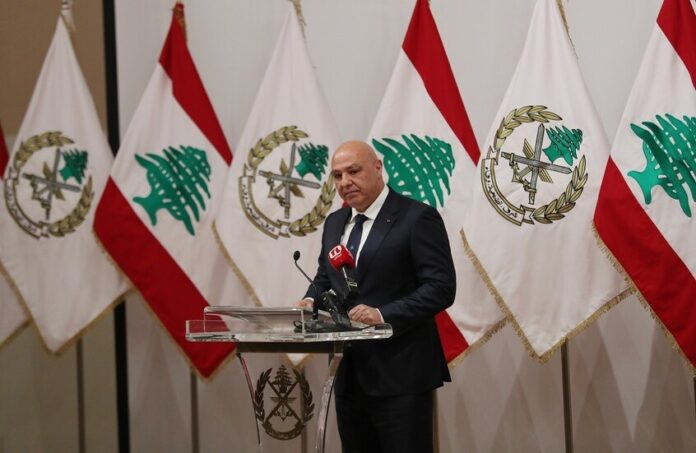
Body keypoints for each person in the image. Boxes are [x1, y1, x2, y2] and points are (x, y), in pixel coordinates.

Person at [297, 140, 456, 453]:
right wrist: (309, 301)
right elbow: (325, 277)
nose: (345, 182)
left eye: (353, 171)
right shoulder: (335, 222)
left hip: (401, 376)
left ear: (378, 168)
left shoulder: (416, 217)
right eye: (338, 176)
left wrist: (383, 314)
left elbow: (441, 287)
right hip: (348, 374)